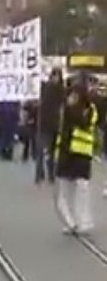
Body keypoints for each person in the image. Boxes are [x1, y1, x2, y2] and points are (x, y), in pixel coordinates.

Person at [54, 75, 98, 235]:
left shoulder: (90, 109)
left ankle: (84, 222)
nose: (72, 98)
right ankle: (70, 222)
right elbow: (60, 128)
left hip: (81, 154)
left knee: (81, 191)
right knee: (64, 193)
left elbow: (84, 123)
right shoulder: (65, 109)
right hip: (67, 153)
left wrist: (72, 108)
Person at [36, 68, 64, 184]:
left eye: (57, 76)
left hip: (54, 124)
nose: (55, 78)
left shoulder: (61, 91)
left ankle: (50, 174)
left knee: (51, 152)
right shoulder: (46, 88)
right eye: (54, 76)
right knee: (41, 150)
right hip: (45, 123)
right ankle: (39, 174)